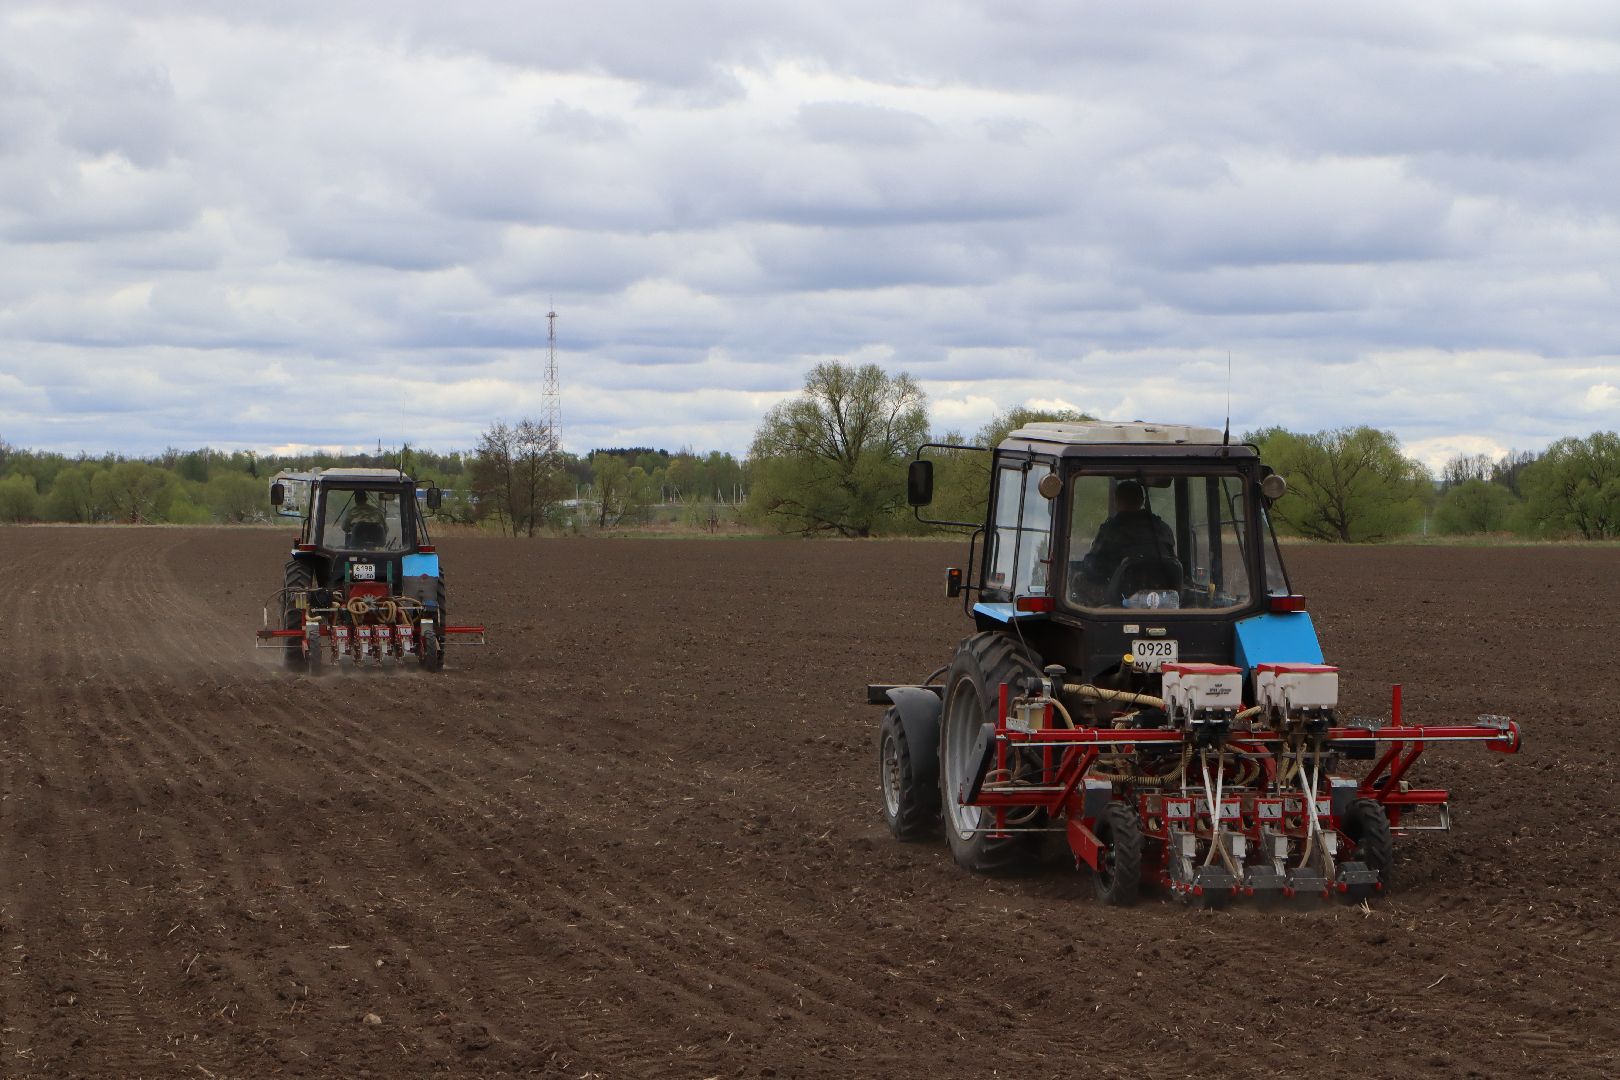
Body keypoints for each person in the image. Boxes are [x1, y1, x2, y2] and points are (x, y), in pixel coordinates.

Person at [1074, 480, 1175, 591]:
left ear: (1116, 501)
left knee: (1079, 579)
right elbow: (1172, 561)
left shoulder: (1111, 530)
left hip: (1121, 596)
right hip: (1161, 595)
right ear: (1142, 501)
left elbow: (1094, 568)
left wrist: (1087, 564)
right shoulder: (1164, 529)